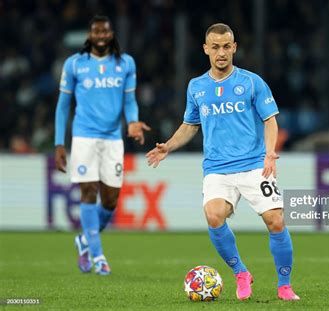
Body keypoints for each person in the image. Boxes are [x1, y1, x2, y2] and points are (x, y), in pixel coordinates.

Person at [146, 23, 299, 301]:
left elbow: (270, 120)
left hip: (254, 165)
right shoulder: (196, 87)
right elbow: (190, 125)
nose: (221, 52)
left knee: (275, 221)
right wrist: (167, 146)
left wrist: (269, 153)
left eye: (226, 46)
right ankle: (241, 273)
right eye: (215, 47)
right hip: (217, 168)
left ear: (234, 48)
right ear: (206, 49)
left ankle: (284, 285)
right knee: (213, 215)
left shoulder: (251, 82)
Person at [54, 15, 150, 275]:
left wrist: (132, 122)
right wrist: (59, 144)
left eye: (104, 32)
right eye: (95, 31)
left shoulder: (125, 63)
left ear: (110, 34)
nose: (100, 36)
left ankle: (84, 240)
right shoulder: (75, 64)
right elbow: (63, 106)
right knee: (88, 193)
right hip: (84, 136)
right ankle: (98, 257)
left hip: (112, 138)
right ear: (90, 35)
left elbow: (130, 101)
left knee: (110, 200)